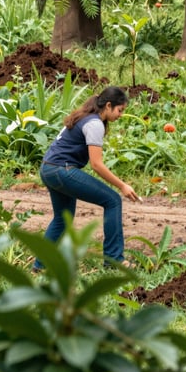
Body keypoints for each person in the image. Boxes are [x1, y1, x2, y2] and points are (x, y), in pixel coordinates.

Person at [36, 86, 140, 269]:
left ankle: (40, 265)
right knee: (113, 200)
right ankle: (114, 259)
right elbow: (96, 164)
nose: (121, 115)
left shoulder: (85, 117)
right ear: (108, 105)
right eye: (120, 110)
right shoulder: (95, 124)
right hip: (62, 170)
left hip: (48, 169)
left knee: (62, 217)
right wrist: (122, 185)